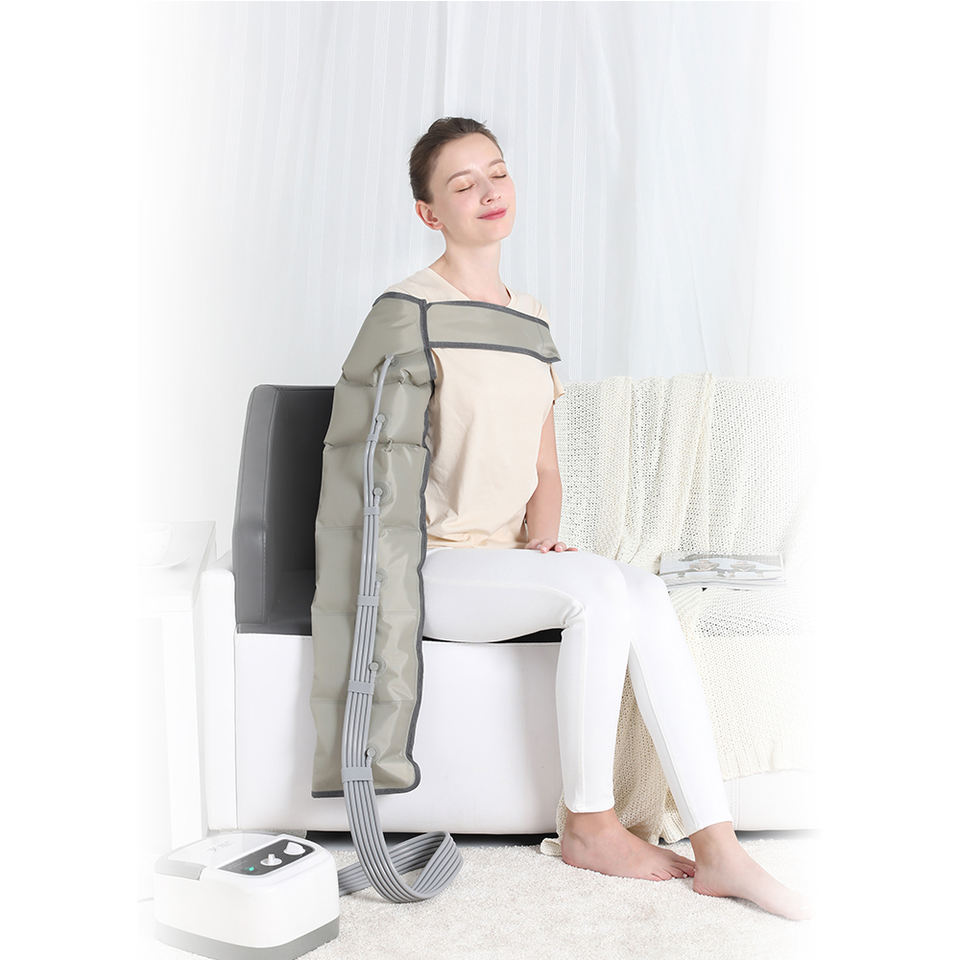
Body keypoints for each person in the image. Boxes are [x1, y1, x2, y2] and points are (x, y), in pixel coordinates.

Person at [381, 117, 812, 922]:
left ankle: (718, 846)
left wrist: (545, 538)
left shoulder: (531, 319)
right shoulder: (407, 311)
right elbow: (373, 462)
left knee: (640, 588)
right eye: (463, 184)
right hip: (427, 564)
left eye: (497, 172)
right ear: (428, 212)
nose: (488, 192)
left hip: (502, 560)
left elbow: (545, 465)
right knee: (598, 590)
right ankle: (588, 823)